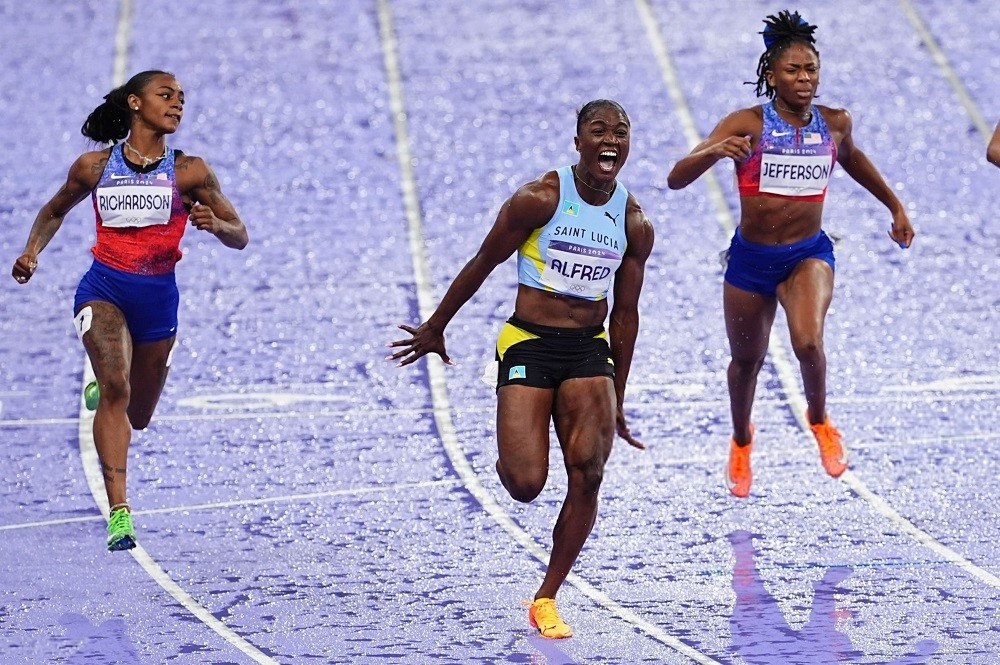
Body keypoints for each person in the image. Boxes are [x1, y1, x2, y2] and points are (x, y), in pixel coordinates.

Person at [388, 100, 653, 638]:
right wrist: (437, 324)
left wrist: (617, 395)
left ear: (627, 145)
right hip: (529, 342)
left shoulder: (633, 223)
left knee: (590, 472)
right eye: (597, 131)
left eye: (620, 133)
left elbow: (625, 313)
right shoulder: (540, 200)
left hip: (587, 349)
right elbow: (484, 260)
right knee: (526, 484)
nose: (610, 140)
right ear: (577, 141)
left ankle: (547, 596)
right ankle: (516, 427)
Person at [667, 11, 914, 498]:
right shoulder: (747, 123)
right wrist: (716, 150)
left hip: (808, 255)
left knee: (807, 342)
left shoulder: (836, 123)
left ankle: (820, 422)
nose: (804, 80)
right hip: (750, 262)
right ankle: (741, 440)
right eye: (793, 71)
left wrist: (896, 205)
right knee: (746, 364)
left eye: (811, 71)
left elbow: (854, 160)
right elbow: (676, 177)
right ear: (771, 75)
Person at [11, 70, 248, 550]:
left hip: (158, 300)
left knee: (138, 414)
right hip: (104, 288)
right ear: (136, 104)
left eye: (182, 98)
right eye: (166, 96)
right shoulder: (95, 167)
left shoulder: (190, 172)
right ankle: (120, 512)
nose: (177, 104)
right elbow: (55, 209)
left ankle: (109, 386)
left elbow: (240, 234)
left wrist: (214, 225)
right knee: (118, 386)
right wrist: (32, 250)